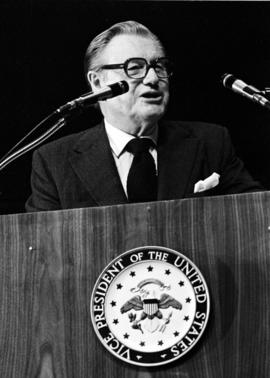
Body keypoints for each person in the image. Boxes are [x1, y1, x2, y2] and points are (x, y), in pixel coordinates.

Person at [25, 20, 263, 212]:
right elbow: (42, 254)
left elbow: (257, 216)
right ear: (98, 82)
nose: (152, 79)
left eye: (159, 66)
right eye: (134, 67)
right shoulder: (54, 162)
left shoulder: (211, 143)